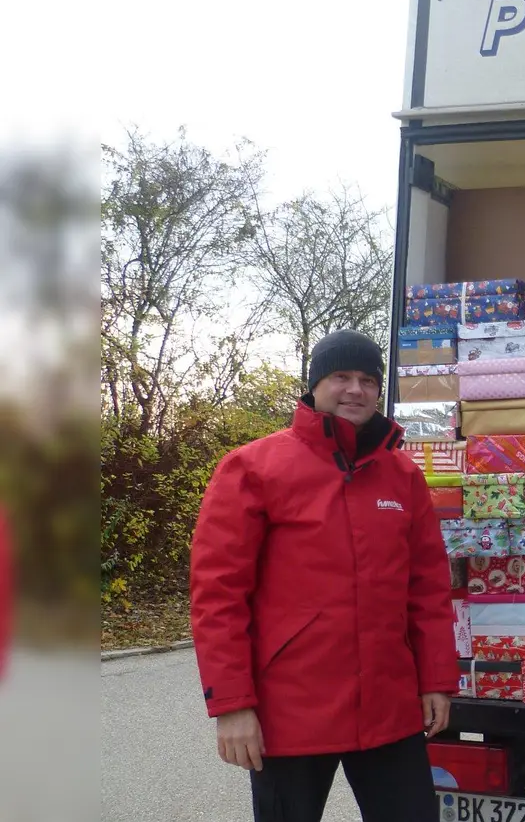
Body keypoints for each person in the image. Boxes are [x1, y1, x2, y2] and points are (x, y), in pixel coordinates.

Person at [190, 330, 458, 822]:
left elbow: (428, 590)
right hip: (289, 713)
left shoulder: (403, 476)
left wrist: (436, 680)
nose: (356, 389)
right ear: (314, 385)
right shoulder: (251, 469)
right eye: (341, 377)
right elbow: (218, 597)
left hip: (388, 708)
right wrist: (231, 707)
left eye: (368, 380)